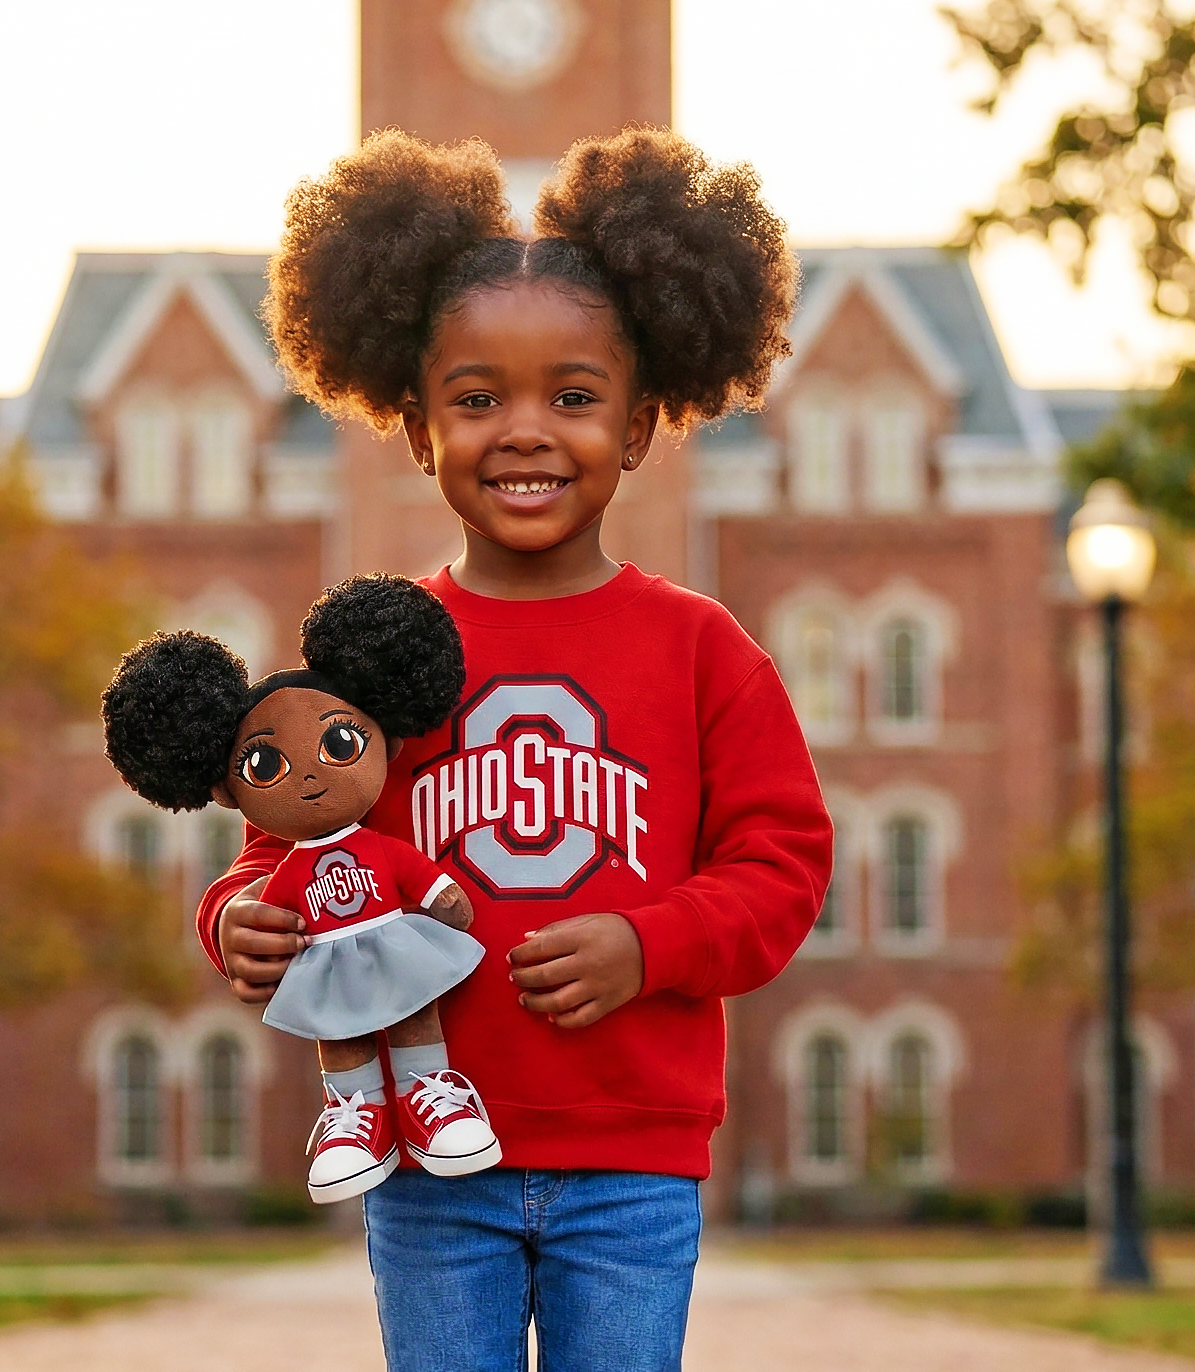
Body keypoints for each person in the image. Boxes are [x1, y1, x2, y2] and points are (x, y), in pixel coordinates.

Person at [195, 126, 832, 1372]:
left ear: (642, 424)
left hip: (632, 1162)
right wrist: (234, 920)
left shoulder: (703, 650)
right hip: (430, 1155)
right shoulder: (375, 649)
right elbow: (279, 846)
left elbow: (782, 869)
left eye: (574, 396)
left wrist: (649, 943)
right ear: (419, 431)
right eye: (477, 399)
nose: (525, 430)